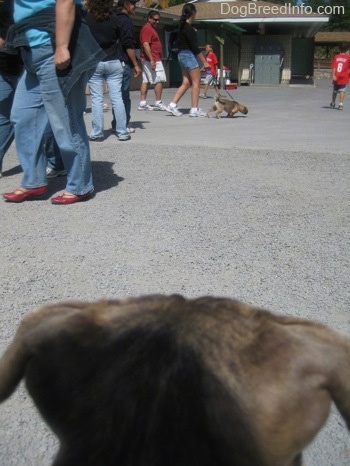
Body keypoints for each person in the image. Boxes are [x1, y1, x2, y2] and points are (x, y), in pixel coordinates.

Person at [2, 0, 105, 204]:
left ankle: (80, 185)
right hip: (31, 52)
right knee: (22, 116)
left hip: (53, 45)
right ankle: (33, 181)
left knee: (65, 121)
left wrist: (62, 46)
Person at [85, 0, 130, 142]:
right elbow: (121, 39)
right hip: (113, 60)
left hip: (95, 60)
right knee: (117, 98)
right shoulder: (114, 18)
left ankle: (97, 132)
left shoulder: (87, 18)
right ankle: (122, 131)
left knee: (97, 99)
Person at [166, 3, 209, 118]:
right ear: (193, 13)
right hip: (188, 55)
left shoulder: (182, 27)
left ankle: (172, 104)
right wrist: (204, 61)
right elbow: (194, 47)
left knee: (186, 83)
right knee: (196, 83)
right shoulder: (189, 29)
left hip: (181, 55)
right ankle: (194, 109)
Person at [0, 0, 23, 179]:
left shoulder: (12, 6)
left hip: (18, 65)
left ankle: (55, 162)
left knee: (10, 117)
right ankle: (55, 162)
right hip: (12, 66)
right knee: (8, 117)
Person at [111, 0, 141, 134]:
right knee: (123, 96)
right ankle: (122, 124)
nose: (135, 6)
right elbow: (128, 44)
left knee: (115, 95)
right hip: (123, 61)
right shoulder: (125, 21)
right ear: (126, 4)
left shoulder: (111, 17)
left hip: (110, 60)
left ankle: (116, 123)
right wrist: (135, 64)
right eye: (133, 3)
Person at [138, 10, 167, 111]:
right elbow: (146, 44)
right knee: (159, 79)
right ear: (149, 18)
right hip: (152, 58)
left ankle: (142, 103)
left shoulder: (150, 28)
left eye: (158, 20)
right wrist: (152, 60)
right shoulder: (147, 29)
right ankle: (158, 102)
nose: (157, 22)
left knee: (146, 80)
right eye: (155, 19)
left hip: (149, 58)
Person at [330, 42, 350, 110]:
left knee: (335, 90)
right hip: (344, 77)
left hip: (336, 76)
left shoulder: (336, 56)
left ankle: (333, 102)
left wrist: (333, 75)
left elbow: (334, 67)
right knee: (342, 90)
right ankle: (341, 104)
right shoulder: (348, 57)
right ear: (347, 49)